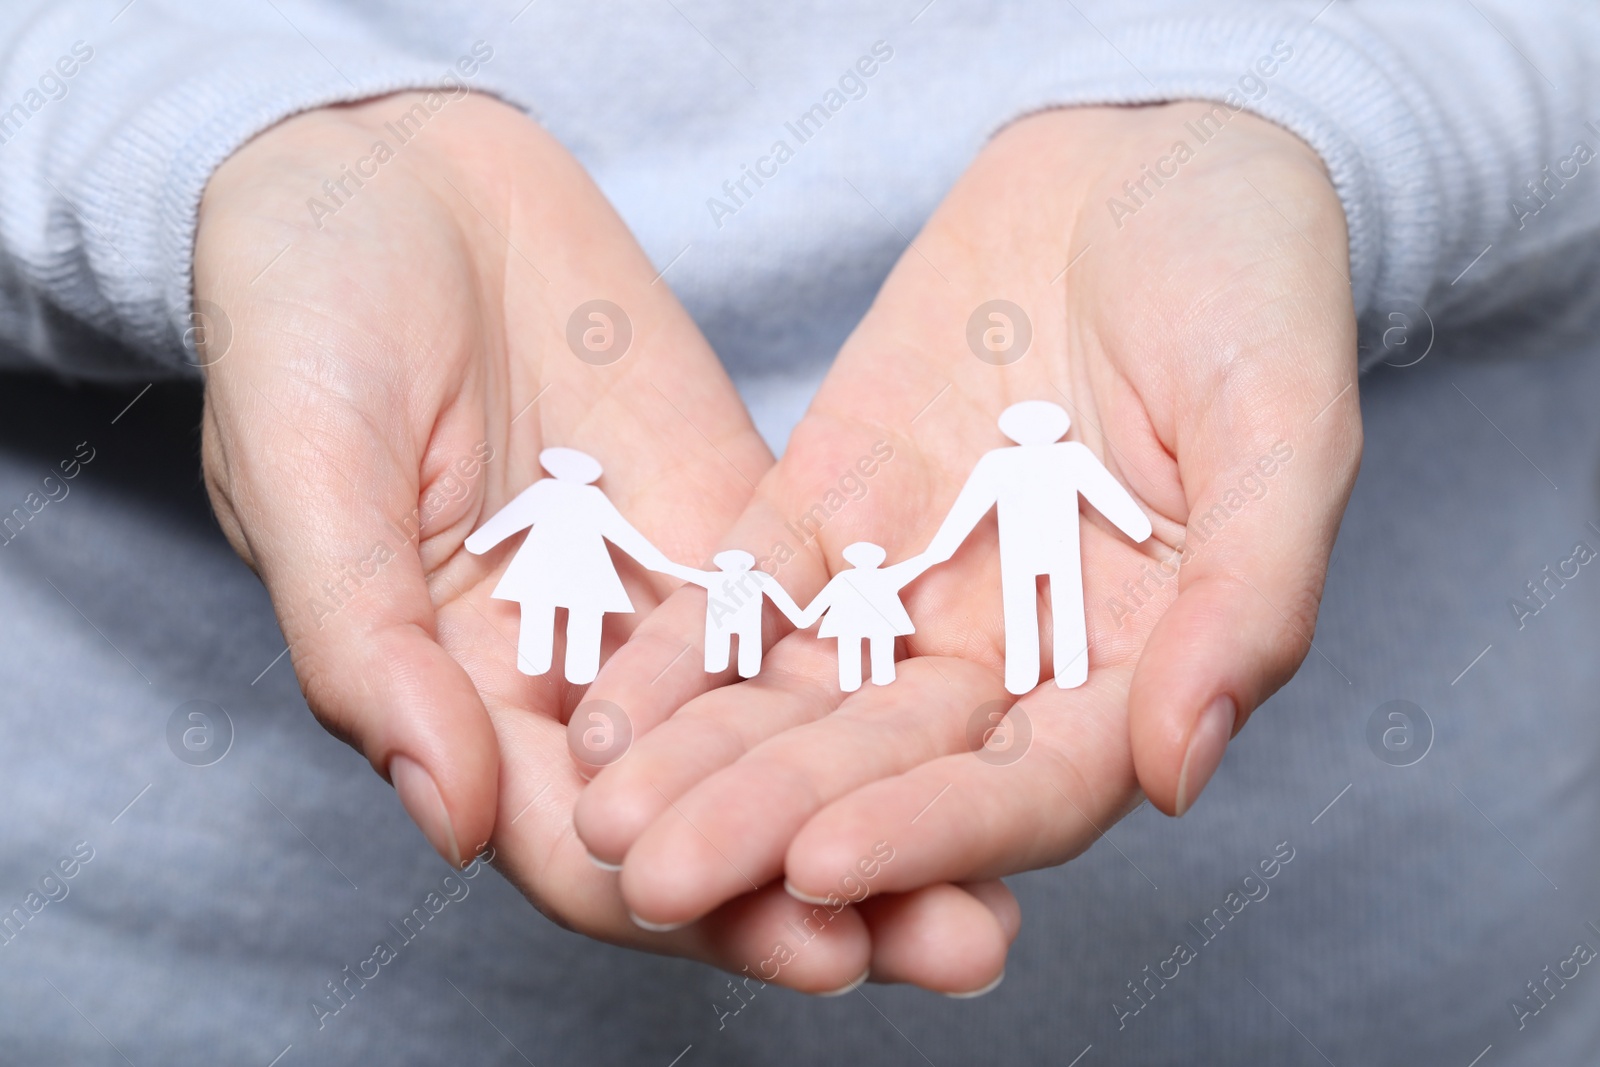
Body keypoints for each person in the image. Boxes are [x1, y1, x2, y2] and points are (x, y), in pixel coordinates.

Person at [3, 1, 1600, 1063]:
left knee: (1029, 614)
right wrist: (203, 149)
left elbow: (1036, 505)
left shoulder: (1038, 472)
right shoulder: (576, 504)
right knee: (584, 629)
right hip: (188, 987)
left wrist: (1328, 116)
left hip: (1402, 987)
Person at [918, 399, 1153, 693]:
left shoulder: (1012, 461)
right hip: (1036, 546)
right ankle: (1045, 672)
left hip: (1044, 545)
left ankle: (1042, 672)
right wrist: (942, 547)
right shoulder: (1018, 461)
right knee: (1040, 606)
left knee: (1038, 606)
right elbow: (969, 506)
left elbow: (1104, 492)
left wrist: (1138, 527)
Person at [463, 446, 692, 684]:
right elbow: (623, 534)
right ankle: (570, 669)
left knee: (548, 609)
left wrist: (479, 542)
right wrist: (656, 561)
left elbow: (510, 519)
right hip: (578, 568)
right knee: (574, 613)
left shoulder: (554, 492)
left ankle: (557, 666)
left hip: (554, 565)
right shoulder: (579, 495)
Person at [791, 542, 928, 691]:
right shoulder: (885, 576)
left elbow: (816, 607)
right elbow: (926, 560)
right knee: (875, 650)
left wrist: (801, 618)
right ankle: (877, 680)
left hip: (860, 625)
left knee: (857, 650)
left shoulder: (847, 578)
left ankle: (859, 682)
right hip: (872, 625)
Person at [679, 549, 805, 678]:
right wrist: (798, 616)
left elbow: (685, 572)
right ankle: (727, 665)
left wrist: (797, 616)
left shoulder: (720, 578)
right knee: (728, 649)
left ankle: (741, 668)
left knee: (744, 648)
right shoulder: (720, 578)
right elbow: (685, 573)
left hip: (739, 620)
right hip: (729, 620)